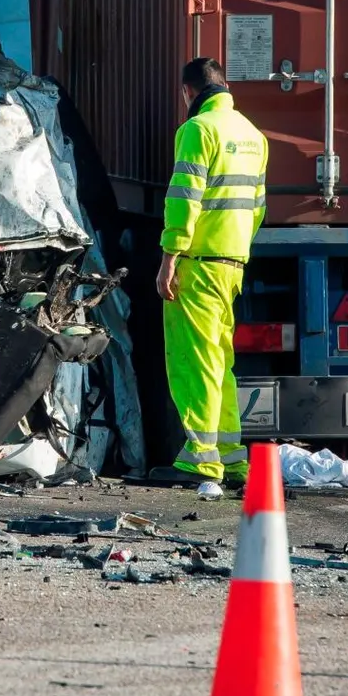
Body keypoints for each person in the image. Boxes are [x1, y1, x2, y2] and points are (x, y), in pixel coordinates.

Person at [151, 58, 267, 499]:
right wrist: (236, 252)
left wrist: (169, 258)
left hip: (197, 263)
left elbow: (183, 199)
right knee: (221, 362)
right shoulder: (253, 135)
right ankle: (232, 457)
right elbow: (258, 209)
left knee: (193, 360)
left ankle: (201, 460)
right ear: (225, 86)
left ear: (188, 92)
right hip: (232, 263)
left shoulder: (198, 131)